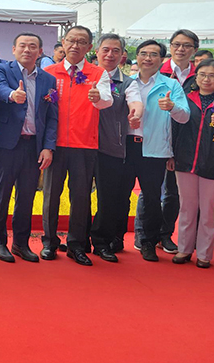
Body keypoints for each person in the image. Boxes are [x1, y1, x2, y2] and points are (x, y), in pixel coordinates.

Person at [40, 25, 112, 266]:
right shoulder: (49, 72)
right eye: (71, 40)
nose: (75, 45)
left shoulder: (98, 73)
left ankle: (76, 244)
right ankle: (49, 242)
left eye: (81, 41)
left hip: (84, 145)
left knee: (80, 197)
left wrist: (98, 98)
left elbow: (106, 100)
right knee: (51, 195)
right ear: (63, 42)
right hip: (54, 145)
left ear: (89, 47)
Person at [0, 33, 57, 263]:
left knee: (26, 197)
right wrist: (12, 95)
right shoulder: (1, 70)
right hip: (8, 145)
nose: (27, 50)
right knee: (1, 194)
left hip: (33, 146)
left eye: (33, 46)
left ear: (40, 51)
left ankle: (21, 243)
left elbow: (52, 117)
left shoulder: (48, 80)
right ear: (14, 49)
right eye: (23, 46)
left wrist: (48, 147)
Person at [136, 29, 199, 254]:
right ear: (169, 49)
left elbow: (187, 114)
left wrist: (172, 108)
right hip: (150, 140)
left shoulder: (200, 75)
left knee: (172, 191)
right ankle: (143, 235)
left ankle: (164, 235)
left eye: (187, 46)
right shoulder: (153, 71)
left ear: (195, 50)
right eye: (176, 44)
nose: (181, 49)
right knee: (148, 192)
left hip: (185, 140)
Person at [89, 34, 142, 262]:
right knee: (78, 195)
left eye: (115, 51)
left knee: (109, 197)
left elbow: (135, 101)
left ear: (122, 55)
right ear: (97, 52)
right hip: (79, 144)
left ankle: (101, 242)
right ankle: (77, 239)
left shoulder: (127, 83)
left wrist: (136, 114)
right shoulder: (84, 76)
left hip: (109, 146)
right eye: (106, 50)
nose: (110, 55)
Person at [171, 59, 214, 268]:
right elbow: (174, 128)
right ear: (196, 77)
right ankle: (183, 249)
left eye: (212, 75)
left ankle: (204, 254)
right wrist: (171, 155)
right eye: (202, 74)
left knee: (208, 210)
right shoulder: (185, 98)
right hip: (185, 160)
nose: (206, 79)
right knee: (187, 207)